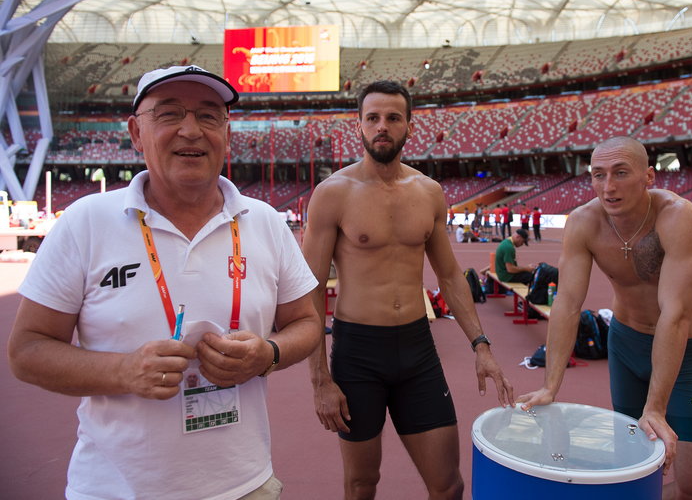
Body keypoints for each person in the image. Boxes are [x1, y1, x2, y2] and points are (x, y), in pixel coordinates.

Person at [7, 65, 322, 500]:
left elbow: (306, 322)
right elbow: (27, 352)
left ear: (227, 134)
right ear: (136, 132)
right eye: (170, 114)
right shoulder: (86, 222)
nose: (191, 130)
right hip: (115, 490)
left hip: (246, 485)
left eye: (209, 115)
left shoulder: (264, 222)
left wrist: (267, 354)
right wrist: (123, 371)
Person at [303, 80, 515, 500]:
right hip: (357, 354)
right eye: (373, 118)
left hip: (417, 350)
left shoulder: (428, 192)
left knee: (449, 485)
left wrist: (482, 345)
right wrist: (320, 381)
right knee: (363, 484)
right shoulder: (332, 195)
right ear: (359, 126)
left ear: (408, 127)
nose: (382, 126)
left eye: (393, 118)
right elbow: (308, 290)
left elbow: (451, 276)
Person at [518, 136, 692, 500]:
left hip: (683, 354)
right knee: (632, 469)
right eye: (598, 175)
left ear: (649, 177)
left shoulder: (678, 217)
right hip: (625, 347)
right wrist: (550, 386)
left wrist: (655, 406)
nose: (608, 187)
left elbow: (675, 314)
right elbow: (568, 303)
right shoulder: (583, 222)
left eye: (621, 173)